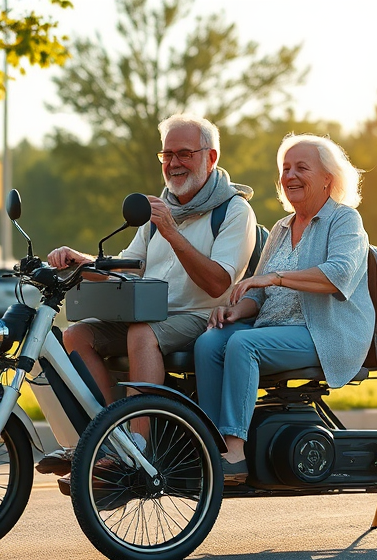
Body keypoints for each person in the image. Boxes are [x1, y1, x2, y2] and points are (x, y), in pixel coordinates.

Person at [40, 113, 259, 474]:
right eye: (167, 154)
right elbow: (128, 268)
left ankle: (137, 450)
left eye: (184, 153)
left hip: (203, 317)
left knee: (142, 333)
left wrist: (173, 232)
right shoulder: (160, 208)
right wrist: (83, 262)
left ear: (212, 157)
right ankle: (108, 436)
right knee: (76, 334)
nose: (173, 163)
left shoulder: (234, 211)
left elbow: (219, 283)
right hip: (148, 311)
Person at [194, 134, 374, 483]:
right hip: (273, 330)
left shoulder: (344, 220)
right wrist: (235, 310)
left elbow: (338, 275)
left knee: (243, 344)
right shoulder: (281, 227)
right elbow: (258, 296)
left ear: (328, 179)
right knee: (211, 340)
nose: (289, 175)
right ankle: (208, 441)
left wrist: (275, 278)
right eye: (285, 169)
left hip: (323, 333)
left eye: (301, 168)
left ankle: (234, 452)